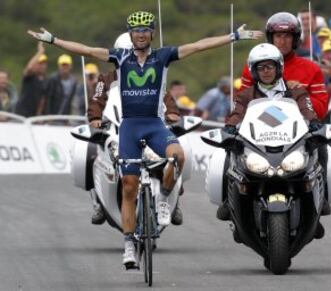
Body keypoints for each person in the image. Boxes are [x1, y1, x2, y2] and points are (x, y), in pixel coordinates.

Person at [28, 10, 263, 267]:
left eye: (145, 30)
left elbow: (198, 46)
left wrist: (234, 36)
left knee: (178, 156)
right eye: (136, 31)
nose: (141, 35)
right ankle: (128, 244)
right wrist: (53, 40)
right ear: (131, 35)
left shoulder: (163, 56)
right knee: (128, 185)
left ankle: (163, 197)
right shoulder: (120, 57)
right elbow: (86, 50)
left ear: (152, 32)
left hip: (154, 124)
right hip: (129, 126)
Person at [220, 43, 326, 239]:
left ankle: (320, 205)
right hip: (258, 145)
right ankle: (227, 202)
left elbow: (307, 110)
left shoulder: (296, 91)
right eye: (260, 67)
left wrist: (314, 123)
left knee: (319, 150)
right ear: (253, 71)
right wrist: (229, 128)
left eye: (269, 66)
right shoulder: (245, 95)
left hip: (290, 144)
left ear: (279, 67)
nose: (266, 71)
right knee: (229, 154)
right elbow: (236, 114)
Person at [87, 32, 184, 226]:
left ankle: (176, 199)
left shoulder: (153, 71)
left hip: (151, 124)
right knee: (92, 154)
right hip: (116, 127)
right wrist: (95, 118)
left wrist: (172, 114)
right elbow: (97, 100)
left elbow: (165, 97)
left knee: (179, 153)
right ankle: (98, 201)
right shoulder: (104, 80)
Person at [240, 12, 329, 121]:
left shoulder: (312, 68)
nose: (282, 41)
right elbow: (240, 106)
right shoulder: (252, 67)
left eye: (287, 36)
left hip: (301, 132)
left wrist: (300, 93)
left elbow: (322, 112)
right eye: (278, 36)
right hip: (258, 132)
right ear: (271, 38)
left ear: (295, 39)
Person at [15, 42, 47, 117]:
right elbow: (29, 68)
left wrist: (39, 113)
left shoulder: (46, 80)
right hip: (22, 114)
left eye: (44, 63)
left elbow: (43, 98)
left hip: (35, 117)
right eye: (39, 63)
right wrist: (40, 52)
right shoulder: (29, 77)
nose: (42, 66)